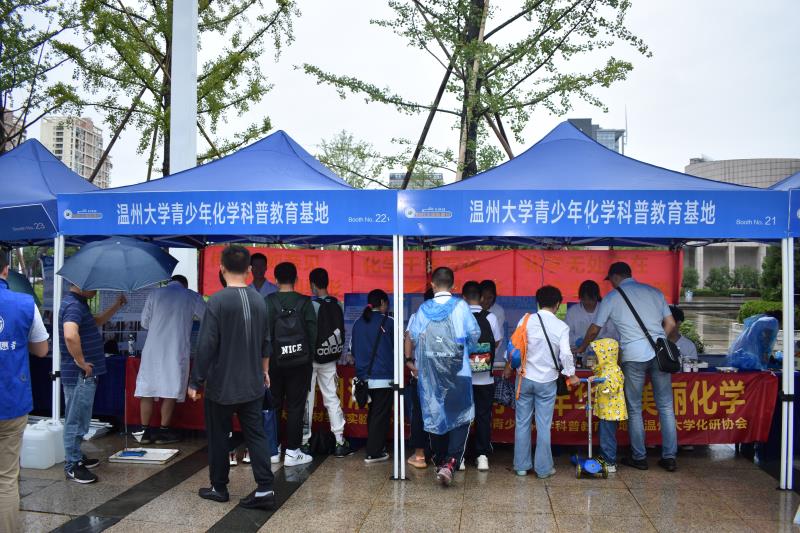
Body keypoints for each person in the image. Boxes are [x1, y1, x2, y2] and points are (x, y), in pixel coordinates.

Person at [188, 245, 275, 510]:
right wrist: (264, 371)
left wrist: (195, 381)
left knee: (219, 436)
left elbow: (206, 345)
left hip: (221, 385)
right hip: (252, 383)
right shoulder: (259, 300)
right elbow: (266, 342)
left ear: (222, 268)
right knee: (256, 435)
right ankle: (265, 489)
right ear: (249, 269)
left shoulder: (217, 301)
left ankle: (219, 487)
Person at [576, 262, 679, 472]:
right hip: (659, 356)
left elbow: (595, 329)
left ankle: (639, 458)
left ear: (615, 277)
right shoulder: (655, 292)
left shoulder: (612, 298)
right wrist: (659, 341)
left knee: (634, 407)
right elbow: (670, 324)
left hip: (633, 356)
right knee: (666, 406)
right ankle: (669, 457)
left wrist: (582, 348)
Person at [407, 267, 480, 486]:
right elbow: (474, 334)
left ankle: (440, 460)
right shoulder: (461, 307)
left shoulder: (423, 309)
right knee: (461, 417)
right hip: (459, 372)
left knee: (435, 415)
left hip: (431, 376)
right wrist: (465, 349)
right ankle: (451, 462)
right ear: (454, 285)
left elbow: (413, 336)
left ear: (432, 285)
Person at [506, 285, 579, 478]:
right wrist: (571, 374)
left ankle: (521, 466)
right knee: (543, 425)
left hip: (524, 378)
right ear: (558, 304)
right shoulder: (561, 327)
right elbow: (565, 354)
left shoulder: (526, 319)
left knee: (522, 422)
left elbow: (514, 347)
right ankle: (543, 469)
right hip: (547, 381)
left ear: (538, 302)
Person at [0, 253, 49, 532]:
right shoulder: (24, 303)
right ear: (6, 270)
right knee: (6, 479)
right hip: (11, 402)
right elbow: (42, 350)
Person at [60, 283, 126, 484]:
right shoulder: (73, 305)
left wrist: (116, 306)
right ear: (80, 284)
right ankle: (72, 464)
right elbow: (70, 334)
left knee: (80, 418)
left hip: (84, 373)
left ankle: (76, 455)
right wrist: (81, 362)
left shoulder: (80, 304)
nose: (95, 290)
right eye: (92, 286)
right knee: (76, 420)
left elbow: (95, 322)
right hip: (79, 374)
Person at [135, 275, 206, 445]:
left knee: (147, 389)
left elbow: (144, 323)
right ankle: (163, 432)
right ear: (185, 284)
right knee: (171, 388)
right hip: (176, 348)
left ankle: (144, 432)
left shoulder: (154, 294)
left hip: (152, 349)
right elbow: (207, 316)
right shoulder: (191, 296)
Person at [267, 262, 317, 467]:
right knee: (296, 406)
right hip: (300, 363)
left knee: (273, 405)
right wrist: (308, 358)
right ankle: (292, 452)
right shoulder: (305, 303)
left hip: (273, 363)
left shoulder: (268, 301)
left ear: (275, 280)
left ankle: (273, 450)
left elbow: (262, 335)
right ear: (296, 279)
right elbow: (313, 335)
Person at [301, 267, 352, 457]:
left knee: (307, 400)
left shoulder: (311, 305)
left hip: (311, 359)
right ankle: (339, 441)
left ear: (313, 285)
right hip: (330, 358)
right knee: (332, 398)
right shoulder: (337, 303)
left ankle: (305, 442)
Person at [462, 281, 502, 472]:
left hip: (462, 378)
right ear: (481, 297)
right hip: (485, 378)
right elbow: (497, 342)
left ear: (463, 298)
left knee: (461, 417)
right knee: (483, 416)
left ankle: (460, 456)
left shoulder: (459, 316)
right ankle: (482, 456)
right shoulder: (491, 317)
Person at [352, 289, 394, 463]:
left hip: (364, 378)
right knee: (380, 415)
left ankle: (375, 446)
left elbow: (352, 351)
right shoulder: (389, 322)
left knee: (374, 412)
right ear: (383, 303)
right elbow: (400, 348)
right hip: (384, 377)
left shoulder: (358, 323)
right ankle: (374, 452)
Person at [405, 288, 434, 469]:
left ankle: (420, 455)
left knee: (419, 414)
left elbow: (409, 338)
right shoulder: (450, 316)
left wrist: (409, 361)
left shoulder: (417, 316)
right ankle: (441, 455)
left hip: (422, 373)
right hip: (442, 375)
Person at [588, 338, 627, 473]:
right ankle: (604, 458)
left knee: (607, 436)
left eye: (598, 354)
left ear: (606, 355)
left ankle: (610, 462)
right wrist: (596, 376)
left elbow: (612, 387)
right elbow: (601, 375)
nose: (596, 357)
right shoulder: (606, 369)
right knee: (604, 434)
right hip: (607, 410)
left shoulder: (613, 370)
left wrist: (601, 382)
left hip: (611, 411)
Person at [565, 280, 619, 349]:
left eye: (590, 299)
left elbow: (613, 332)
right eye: (584, 299)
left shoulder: (605, 309)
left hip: (602, 350)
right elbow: (566, 333)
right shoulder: (572, 311)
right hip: (578, 350)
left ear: (597, 297)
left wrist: (600, 341)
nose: (587, 302)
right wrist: (577, 340)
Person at [480, 280, 507, 366]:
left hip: (490, 354)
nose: (486, 301)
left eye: (490, 298)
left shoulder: (498, 311)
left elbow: (495, 341)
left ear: (494, 297)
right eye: (483, 297)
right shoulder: (472, 309)